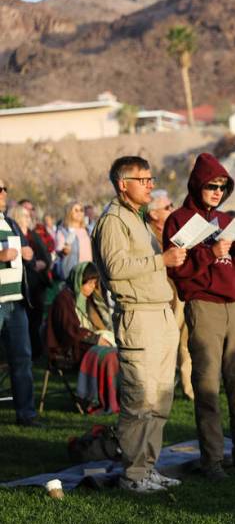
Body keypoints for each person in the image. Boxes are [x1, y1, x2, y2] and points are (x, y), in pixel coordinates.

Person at [163, 154, 235, 481]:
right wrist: (210, 253)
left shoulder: (224, 219)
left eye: (223, 186)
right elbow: (177, 268)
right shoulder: (178, 220)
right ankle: (213, 460)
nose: (218, 191)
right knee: (207, 385)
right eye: (212, 185)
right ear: (197, 185)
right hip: (203, 304)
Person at [93, 156, 187, 493]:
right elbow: (117, 267)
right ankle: (132, 475)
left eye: (151, 178)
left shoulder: (139, 218)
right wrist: (161, 259)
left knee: (160, 397)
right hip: (138, 315)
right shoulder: (112, 221)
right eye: (143, 179)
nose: (150, 184)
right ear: (123, 184)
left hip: (160, 312)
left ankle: (148, 467)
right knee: (140, 398)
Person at [45, 262, 119, 413]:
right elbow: (70, 331)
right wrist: (96, 339)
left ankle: (118, 398)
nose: (92, 287)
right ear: (79, 280)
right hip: (67, 350)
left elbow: (99, 325)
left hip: (84, 343)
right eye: (89, 283)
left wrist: (100, 337)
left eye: (94, 283)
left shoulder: (89, 299)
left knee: (118, 354)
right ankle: (97, 399)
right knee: (109, 357)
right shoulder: (64, 299)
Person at [146, 189, 194, 400]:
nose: (172, 209)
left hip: (182, 293)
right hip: (162, 299)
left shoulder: (175, 231)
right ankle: (159, 391)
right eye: (167, 207)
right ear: (154, 213)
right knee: (165, 345)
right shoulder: (147, 235)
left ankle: (190, 389)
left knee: (186, 342)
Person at [0, 179, 39, 426]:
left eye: (4, 188)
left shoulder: (10, 222)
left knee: (22, 360)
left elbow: (25, 253)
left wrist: (27, 254)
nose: (3, 192)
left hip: (15, 301)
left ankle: (26, 414)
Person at [8, 203, 52, 356]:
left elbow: (45, 255)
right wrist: (31, 262)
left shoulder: (34, 235)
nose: (29, 218)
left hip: (37, 284)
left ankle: (35, 350)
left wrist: (44, 263)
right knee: (23, 320)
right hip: (23, 283)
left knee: (36, 319)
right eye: (25, 216)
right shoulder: (12, 237)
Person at [54, 201, 94, 282]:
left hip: (88, 272)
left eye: (81, 210)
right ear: (69, 212)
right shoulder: (63, 231)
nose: (79, 213)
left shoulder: (87, 230)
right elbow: (58, 251)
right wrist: (64, 251)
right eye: (76, 210)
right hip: (72, 274)